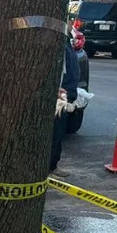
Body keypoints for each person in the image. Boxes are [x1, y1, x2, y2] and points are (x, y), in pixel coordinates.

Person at [50, 32, 81, 177]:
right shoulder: (56, 38)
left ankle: (53, 165)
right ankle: (50, 166)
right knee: (54, 132)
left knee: (59, 131)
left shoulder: (67, 39)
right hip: (58, 95)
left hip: (66, 94)